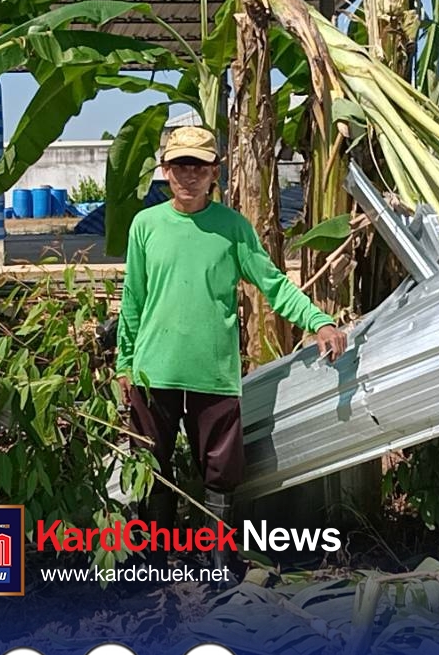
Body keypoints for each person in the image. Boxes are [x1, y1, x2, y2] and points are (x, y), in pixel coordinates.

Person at [116, 124, 348, 581]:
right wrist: (125, 363)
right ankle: (153, 564)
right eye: (180, 164)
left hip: (213, 375)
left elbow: (274, 285)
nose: (188, 174)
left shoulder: (232, 229)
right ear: (165, 170)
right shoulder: (146, 225)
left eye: (198, 166)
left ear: (214, 173)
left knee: (220, 475)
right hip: (152, 372)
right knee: (152, 467)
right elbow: (133, 299)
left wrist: (318, 320)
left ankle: (219, 563)